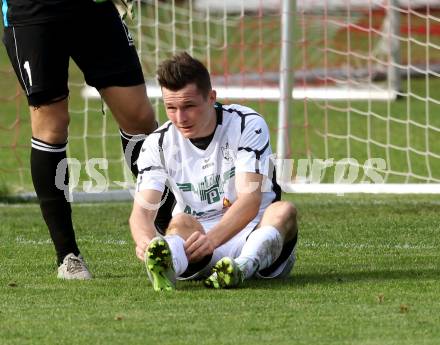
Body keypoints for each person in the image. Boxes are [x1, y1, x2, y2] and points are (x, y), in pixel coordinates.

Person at [1, 0, 173, 279]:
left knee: (138, 116)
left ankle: (169, 227)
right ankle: (68, 256)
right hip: (33, 12)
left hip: (93, 7)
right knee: (52, 125)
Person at [129, 52, 298, 291]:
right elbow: (142, 213)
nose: (180, 117)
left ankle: (242, 267)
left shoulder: (246, 123)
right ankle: (167, 266)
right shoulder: (157, 143)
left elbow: (250, 200)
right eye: (171, 107)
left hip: (254, 232)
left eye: (189, 106)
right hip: (198, 244)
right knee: (180, 222)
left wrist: (213, 239)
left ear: (211, 97)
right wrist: (145, 240)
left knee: (284, 211)